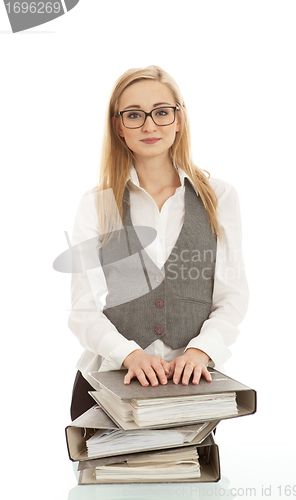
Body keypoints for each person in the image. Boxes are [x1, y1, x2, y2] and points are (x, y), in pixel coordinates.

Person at [68, 65, 249, 421]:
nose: (150, 125)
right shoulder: (98, 203)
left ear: (179, 119)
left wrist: (200, 351)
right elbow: (82, 308)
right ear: (118, 125)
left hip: (191, 387)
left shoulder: (219, 197)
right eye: (134, 115)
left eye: (162, 112)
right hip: (109, 384)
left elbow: (232, 296)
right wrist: (129, 355)